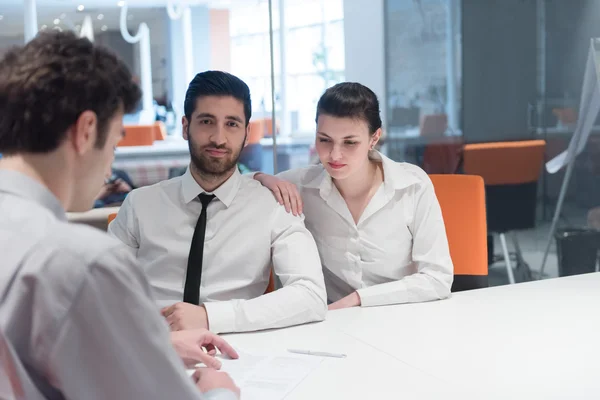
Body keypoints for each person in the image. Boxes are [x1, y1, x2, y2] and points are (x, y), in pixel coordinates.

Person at [0, 31, 240, 400]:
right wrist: (218, 391)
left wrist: (151, 344)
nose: (111, 163)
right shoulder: (79, 261)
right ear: (86, 131)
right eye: (114, 143)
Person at [108, 71, 327, 334]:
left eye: (232, 124)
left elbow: (310, 296)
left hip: (236, 350)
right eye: (207, 122)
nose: (219, 139)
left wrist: (210, 318)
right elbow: (101, 290)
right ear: (186, 126)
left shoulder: (274, 205)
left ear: (247, 133)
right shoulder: (139, 204)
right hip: (151, 346)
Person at [253, 82, 454, 310]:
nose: (334, 154)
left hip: (403, 316)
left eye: (350, 142)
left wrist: (359, 299)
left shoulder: (413, 185)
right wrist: (263, 178)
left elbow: (438, 279)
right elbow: (240, 185)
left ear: (374, 138)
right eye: (324, 140)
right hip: (337, 326)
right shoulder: (302, 185)